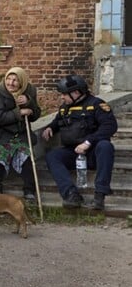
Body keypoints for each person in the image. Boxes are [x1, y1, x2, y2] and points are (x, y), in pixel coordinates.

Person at [41, 74, 118, 210]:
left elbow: (110, 126)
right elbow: (58, 121)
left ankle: (100, 195)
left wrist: (88, 142)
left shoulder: (96, 104)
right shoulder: (65, 108)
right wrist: (50, 128)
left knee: (106, 146)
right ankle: (71, 195)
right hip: (73, 153)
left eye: (64, 94)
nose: (62, 97)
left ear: (76, 92)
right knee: (52, 155)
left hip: (93, 152)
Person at [0, 67, 41, 202]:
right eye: (9, 79)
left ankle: (29, 192)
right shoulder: (0, 92)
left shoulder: (30, 91)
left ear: (22, 82)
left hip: (20, 135)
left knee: (27, 159)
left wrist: (29, 103)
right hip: (0, 134)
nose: (10, 83)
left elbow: (36, 114)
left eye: (15, 80)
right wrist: (19, 113)